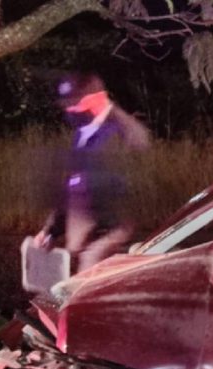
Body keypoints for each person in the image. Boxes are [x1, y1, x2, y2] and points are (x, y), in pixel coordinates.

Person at [34, 72, 150, 273]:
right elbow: (73, 183)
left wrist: (99, 235)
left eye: (76, 104)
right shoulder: (83, 132)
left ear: (97, 99)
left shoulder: (125, 134)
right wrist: (51, 230)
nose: (70, 110)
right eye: (68, 104)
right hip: (88, 225)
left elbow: (131, 191)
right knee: (73, 263)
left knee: (90, 265)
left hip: (115, 228)